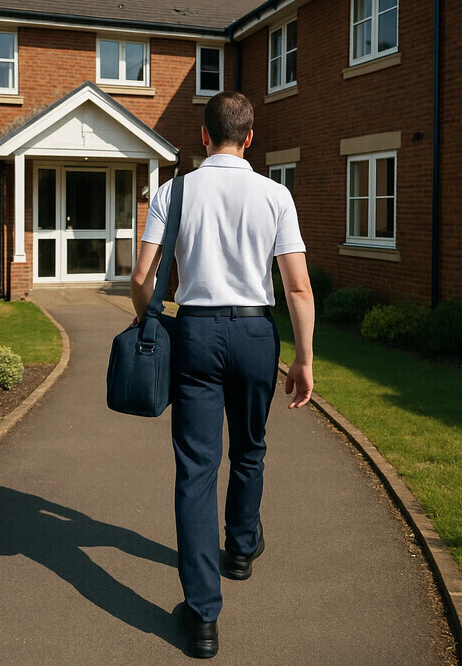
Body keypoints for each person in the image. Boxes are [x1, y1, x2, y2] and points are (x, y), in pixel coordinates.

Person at [130, 90, 315, 659]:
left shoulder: (175, 191)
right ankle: (239, 550)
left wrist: (148, 320)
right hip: (256, 335)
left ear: (204, 136)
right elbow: (297, 286)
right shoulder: (275, 195)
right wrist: (304, 359)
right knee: (250, 448)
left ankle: (203, 616)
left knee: (196, 470)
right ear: (250, 138)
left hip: (196, 334)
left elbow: (141, 278)